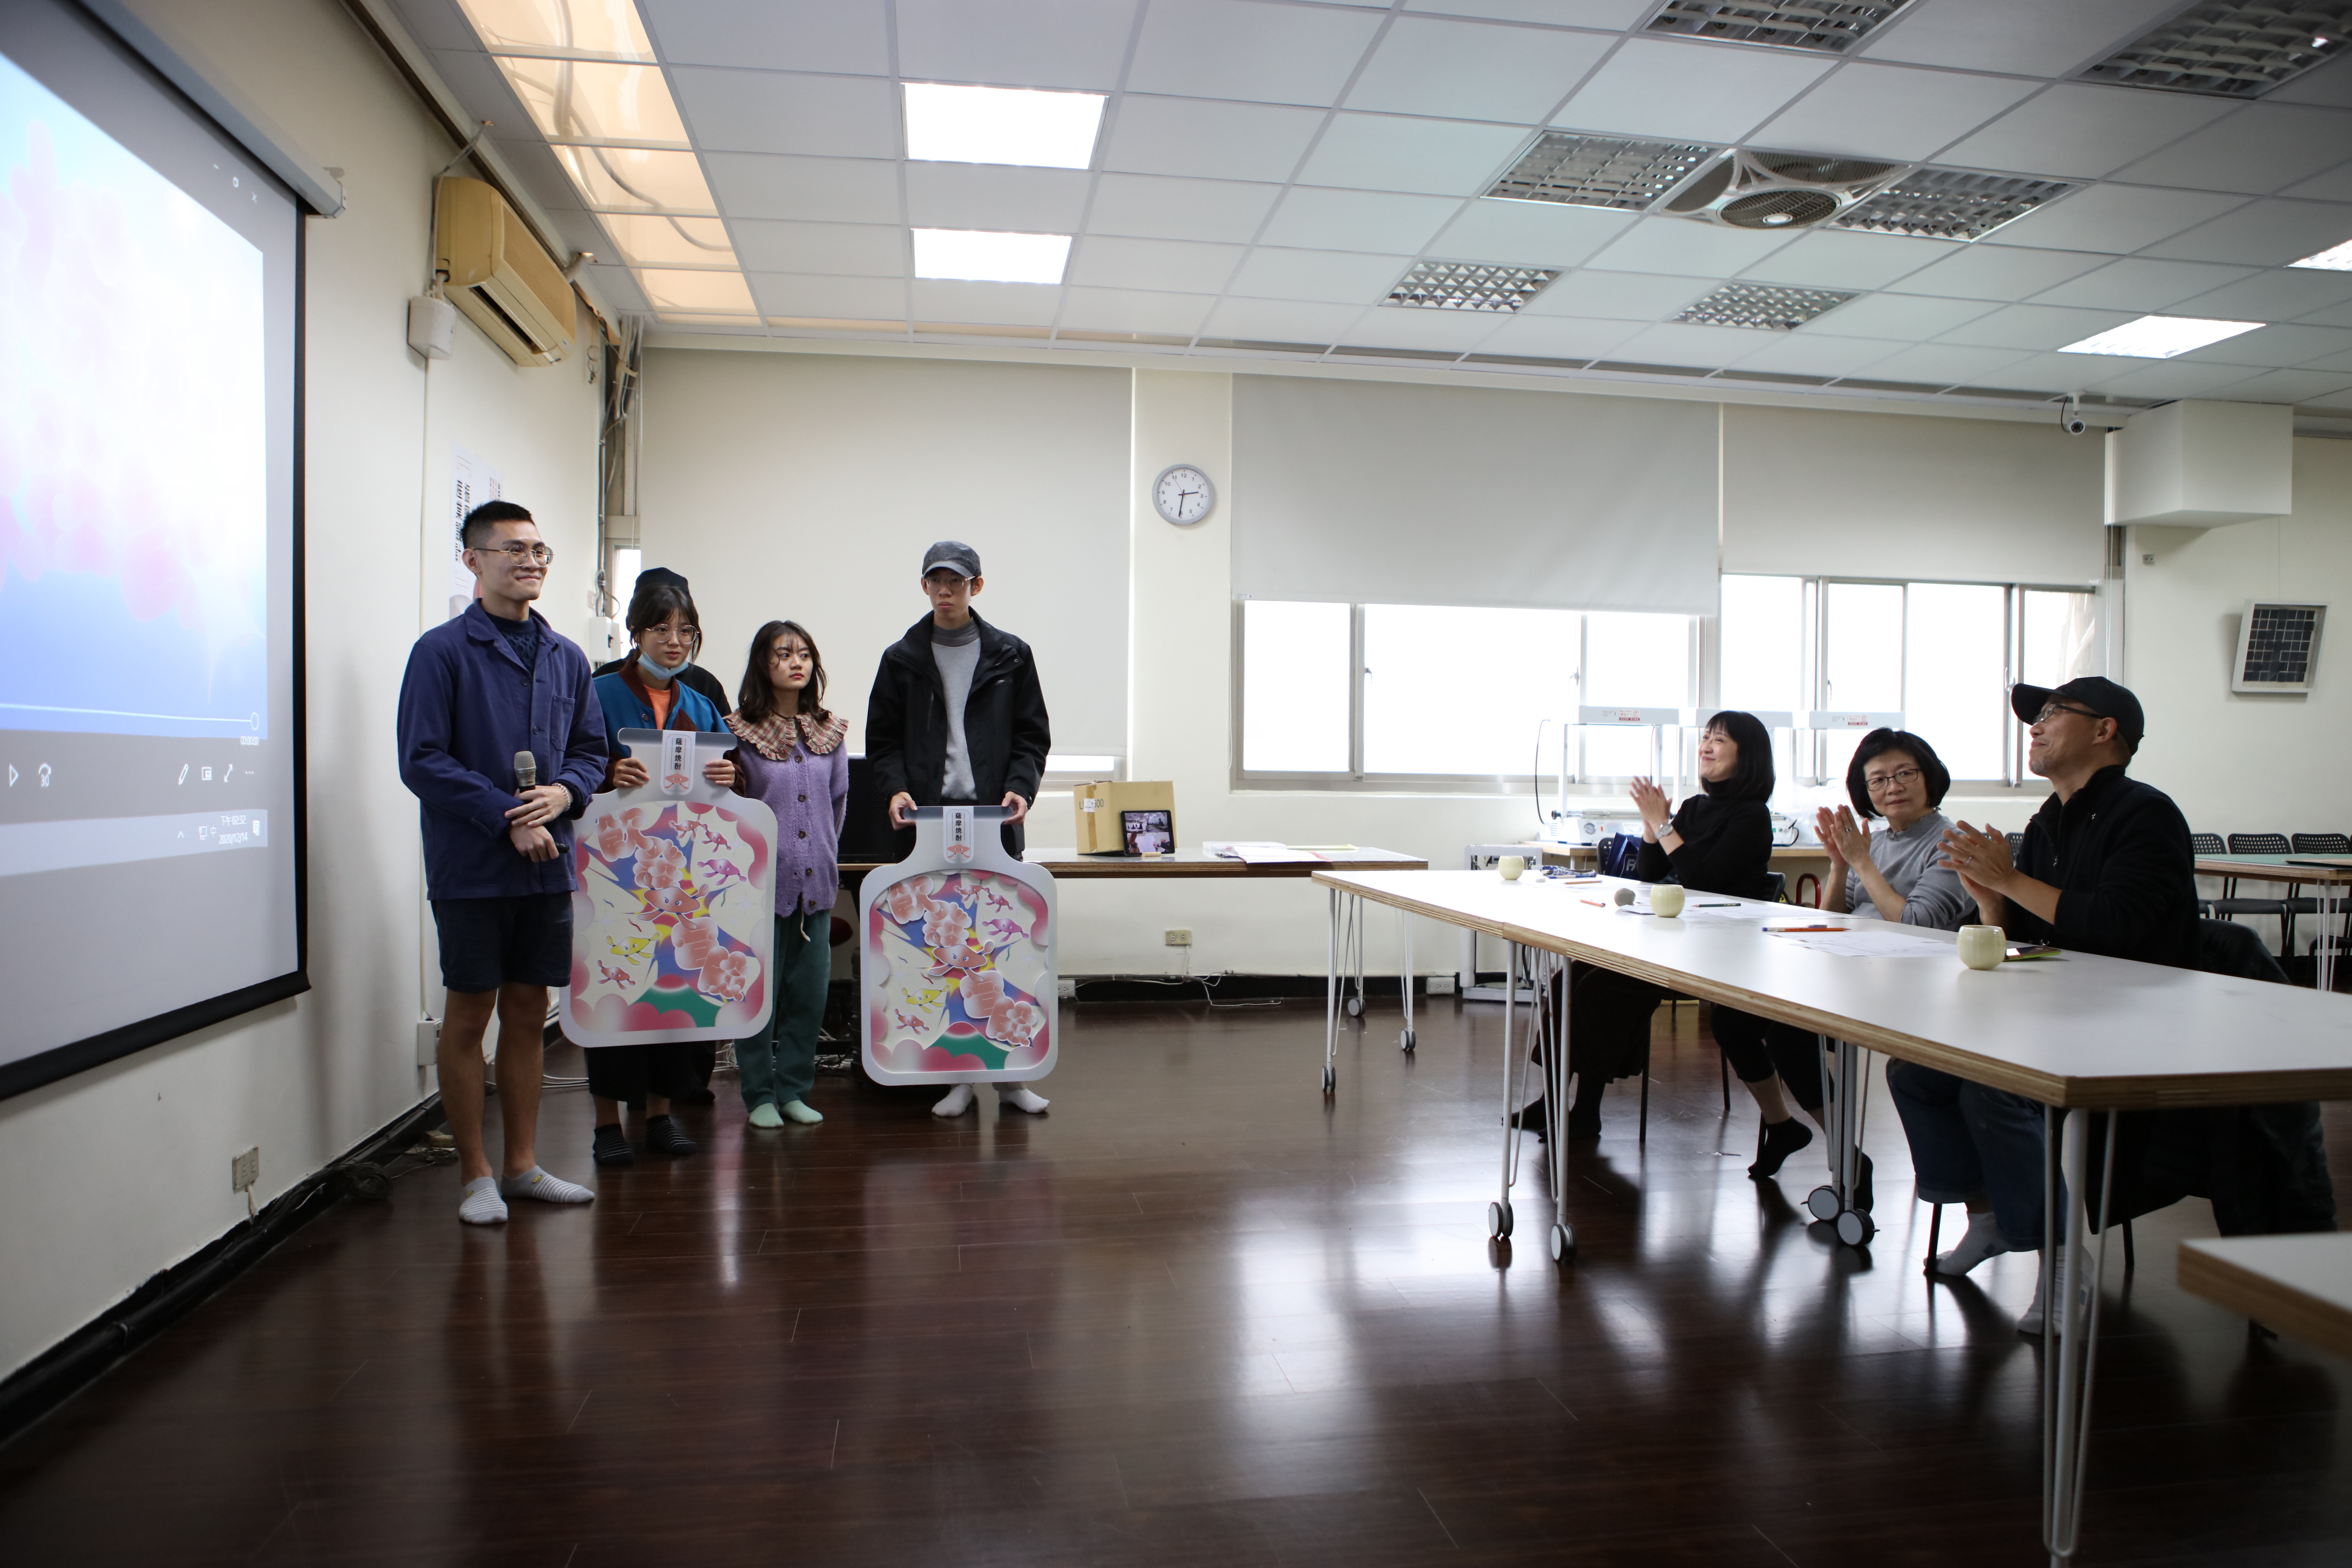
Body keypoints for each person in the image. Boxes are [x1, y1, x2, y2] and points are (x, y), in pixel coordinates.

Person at [1901, 676, 2199, 1334]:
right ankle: (1988, 1219)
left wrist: (2010, 879)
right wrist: (1990, 901)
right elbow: (2031, 940)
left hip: (2134, 1019)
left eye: (2054, 712)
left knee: (1994, 1090)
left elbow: (2117, 926)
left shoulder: (2146, 814)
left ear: (2105, 730)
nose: (2034, 726)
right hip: (2058, 1008)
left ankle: (2061, 1257)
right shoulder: (2048, 821)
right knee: (1916, 1072)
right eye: (2035, 716)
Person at [397, 500, 605, 1225]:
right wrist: (509, 815)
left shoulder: (566, 656)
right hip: (472, 870)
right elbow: (422, 760)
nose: (531, 561)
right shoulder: (441, 652)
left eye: (540, 551)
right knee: (469, 1014)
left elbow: (590, 752)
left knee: (526, 1010)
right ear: (474, 560)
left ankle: (522, 1166)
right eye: (514, 549)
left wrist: (564, 793)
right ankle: (475, 1175)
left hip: (547, 867)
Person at [866, 541, 1053, 1118]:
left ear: (977, 586)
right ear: (924, 586)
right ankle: (958, 1078)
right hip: (927, 823)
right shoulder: (901, 658)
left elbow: (1032, 736)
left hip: (993, 820)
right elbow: (883, 741)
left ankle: (1012, 1080)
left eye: (957, 581)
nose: (946, 590)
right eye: (936, 581)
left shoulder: (1011, 655)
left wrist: (1020, 787)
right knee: (940, 954)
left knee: (1004, 950)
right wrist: (894, 788)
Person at [584, 575, 737, 1167]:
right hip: (613, 873)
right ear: (635, 631)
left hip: (680, 878)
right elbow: (571, 764)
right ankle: (606, 1125)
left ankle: (659, 1115)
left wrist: (730, 776)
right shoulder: (597, 693)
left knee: (672, 989)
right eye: (660, 628)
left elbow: (729, 788)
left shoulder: (700, 704)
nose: (674, 641)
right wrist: (607, 773)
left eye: (685, 631)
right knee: (613, 990)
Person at [727, 619, 849, 1130]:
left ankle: (794, 1090)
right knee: (757, 997)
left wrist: (819, 855)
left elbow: (837, 805)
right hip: (759, 887)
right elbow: (732, 809)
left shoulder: (830, 731)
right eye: (782, 654)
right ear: (763, 663)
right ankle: (758, 1094)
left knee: (809, 997)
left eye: (803, 654)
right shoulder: (740, 732)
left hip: (815, 884)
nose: (795, 663)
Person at [1814, 728, 1970, 929]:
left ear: (1930, 777)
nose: (1894, 788)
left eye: (1905, 774)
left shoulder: (1953, 845)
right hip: (1855, 946)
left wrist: (1861, 861)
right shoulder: (1872, 844)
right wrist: (1840, 865)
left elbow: (1916, 925)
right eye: (1878, 780)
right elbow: (1828, 926)